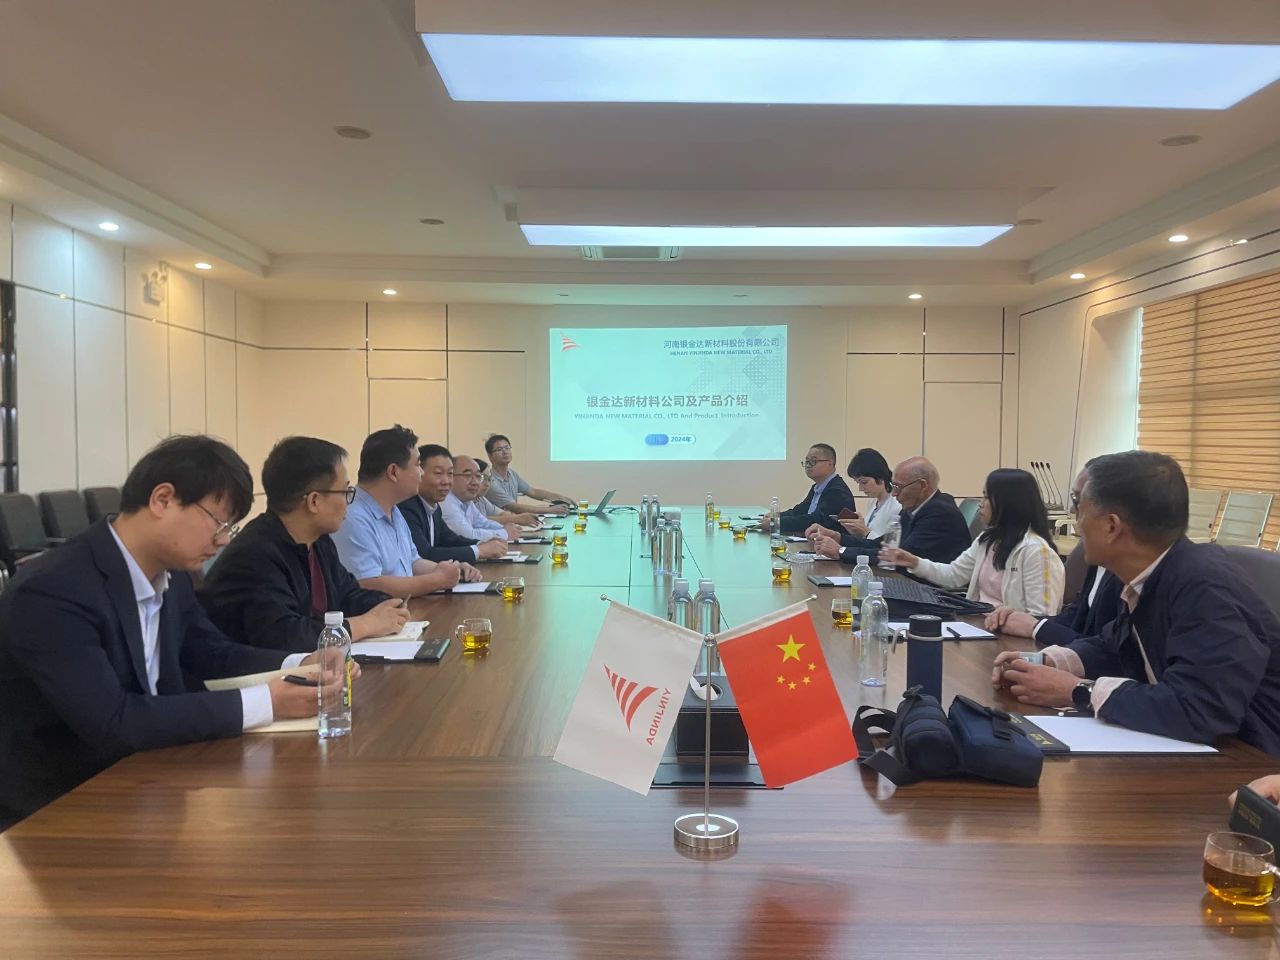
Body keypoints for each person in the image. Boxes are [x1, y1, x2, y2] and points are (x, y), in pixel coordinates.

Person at [0, 435, 349, 830]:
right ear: (163, 500)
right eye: (218, 523)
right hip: (56, 811)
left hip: (151, 779)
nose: (222, 541)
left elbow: (210, 652)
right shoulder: (54, 590)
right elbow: (113, 722)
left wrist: (300, 662)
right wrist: (267, 701)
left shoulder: (173, 575)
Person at [993, 450, 1280, 753]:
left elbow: (1200, 709)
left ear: (1111, 526)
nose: (1076, 521)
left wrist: (1076, 691)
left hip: (1252, 758)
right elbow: (1114, 646)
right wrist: (1048, 662)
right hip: (1189, 747)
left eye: (1079, 506)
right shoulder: (1150, 572)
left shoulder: (1207, 588)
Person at [199, 436, 411, 652]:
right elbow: (284, 635)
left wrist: (388, 604)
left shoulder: (318, 540)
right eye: (345, 492)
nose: (349, 502)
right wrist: (366, 624)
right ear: (314, 501)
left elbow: (347, 595)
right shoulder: (254, 554)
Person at [880, 468, 1065, 616]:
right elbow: (954, 575)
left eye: (986, 497)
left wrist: (1005, 620)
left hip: (1008, 637)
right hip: (977, 623)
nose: (980, 504)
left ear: (1008, 503)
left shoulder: (1036, 552)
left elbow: (1041, 618)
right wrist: (914, 562)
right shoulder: (988, 540)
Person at [986, 460, 1122, 644]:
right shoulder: (1100, 561)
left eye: (1077, 500)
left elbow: (1106, 650)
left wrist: (1036, 627)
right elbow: (1076, 618)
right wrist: (1025, 621)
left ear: (1112, 525)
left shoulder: (1128, 577)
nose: (1072, 510)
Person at [331, 425, 474, 596]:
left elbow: (412, 561)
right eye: (418, 465)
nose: (422, 473)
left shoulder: (394, 510)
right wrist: (437, 580)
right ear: (393, 472)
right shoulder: (353, 517)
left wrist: (447, 570)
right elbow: (367, 584)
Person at [808, 456, 970, 565]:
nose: (894, 493)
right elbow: (881, 545)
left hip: (934, 593)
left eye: (899, 487)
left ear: (922, 485)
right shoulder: (914, 508)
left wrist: (841, 551)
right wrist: (837, 537)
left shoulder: (939, 513)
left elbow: (898, 556)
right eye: (894, 486)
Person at [399, 444, 508, 563]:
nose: (446, 481)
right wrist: (479, 551)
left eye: (450, 474)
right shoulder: (407, 507)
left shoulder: (434, 507)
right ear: (419, 473)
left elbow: (449, 540)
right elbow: (423, 554)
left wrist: (482, 544)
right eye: (438, 473)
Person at [759, 443, 855, 534]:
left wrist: (777, 523)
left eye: (813, 461)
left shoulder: (837, 491)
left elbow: (816, 521)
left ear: (830, 463)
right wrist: (776, 516)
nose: (808, 465)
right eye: (807, 461)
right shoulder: (817, 487)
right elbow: (799, 511)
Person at [484, 434, 575, 515]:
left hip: (513, 522)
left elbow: (533, 492)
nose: (505, 452)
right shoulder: (490, 481)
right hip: (498, 525)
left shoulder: (512, 474)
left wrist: (561, 498)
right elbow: (513, 507)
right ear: (490, 456)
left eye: (507, 447)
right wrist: (550, 510)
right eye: (499, 449)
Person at [443, 456, 521, 542]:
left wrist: (504, 528)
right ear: (450, 477)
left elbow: (483, 523)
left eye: (478, 476)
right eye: (468, 475)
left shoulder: (466, 500)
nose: (475, 482)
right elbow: (468, 535)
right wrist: (505, 533)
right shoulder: (446, 501)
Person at [832, 447, 901, 540]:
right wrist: (856, 531)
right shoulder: (873, 502)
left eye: (864, 482)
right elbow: (868, 538)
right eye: (858, 483)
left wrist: (864, 531)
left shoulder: (897, 506)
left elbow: (892, 543)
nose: (861, 488)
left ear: (880, 477)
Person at [474, 458, 541, 528]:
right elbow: (478, 521)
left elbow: (502, 513)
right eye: (483, 478)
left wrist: (519, 517)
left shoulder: (481, 499)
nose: (487, 484)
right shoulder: (467, 501)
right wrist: (516, 518)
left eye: (489, 479)